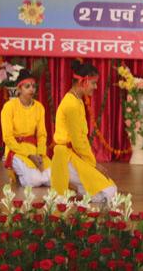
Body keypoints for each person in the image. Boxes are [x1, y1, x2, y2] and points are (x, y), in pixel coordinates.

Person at [51, 60, 116, 202]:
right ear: (84, 82)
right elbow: (78, 142)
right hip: (66, 158)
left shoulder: (77, 101)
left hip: (76, 156)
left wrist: (91, 163)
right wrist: (94, 164)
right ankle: (77, 190)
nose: (96, 87)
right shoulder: (71, 104)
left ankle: (79, 191)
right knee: (110, 192)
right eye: (93, 83)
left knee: (108, 191)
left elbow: (81, 141)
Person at [1, 68, 51, 187]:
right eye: (27, 86)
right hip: (16, 150)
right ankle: (18, 174)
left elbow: (42, 134)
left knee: (53, 179)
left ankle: (29, 173)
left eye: (33, 86)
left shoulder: (39, 107)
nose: (31, 89)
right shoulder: (9, 107)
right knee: (33, 182)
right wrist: (29, 155)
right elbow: (7, 137)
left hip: (34, 149)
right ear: (19, 89)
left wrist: (40, 153)